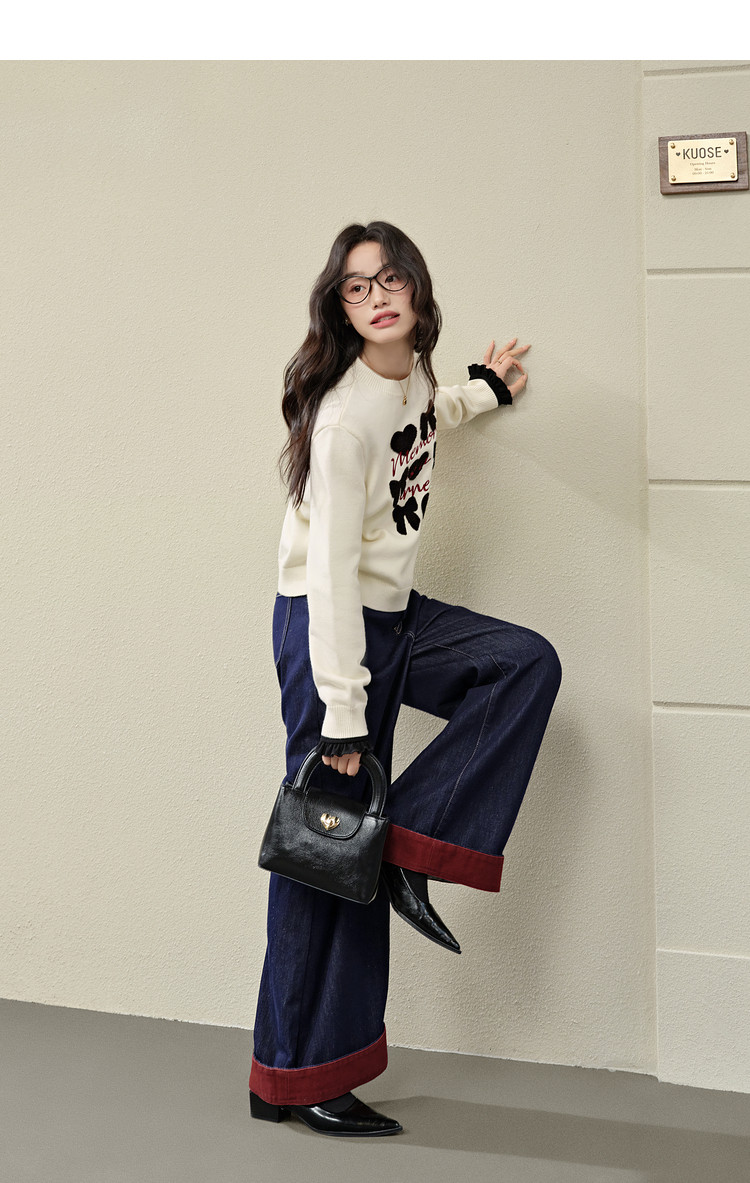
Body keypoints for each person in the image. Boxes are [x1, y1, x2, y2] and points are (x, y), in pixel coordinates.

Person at [249, 221, 562, 1138]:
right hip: (331, 630)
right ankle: (297, 1076)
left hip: (394, 618)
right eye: (357, 288)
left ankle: (402, 843)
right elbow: (328, 576)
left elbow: (429, 414)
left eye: (390, 280)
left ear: (416, 290)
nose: (377, 297)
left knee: (521, 663)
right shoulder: (343, 419)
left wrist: (486, 388)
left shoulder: (411, 375)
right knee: (322, 858)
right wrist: (343, 717)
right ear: (340, 308)